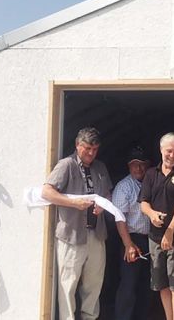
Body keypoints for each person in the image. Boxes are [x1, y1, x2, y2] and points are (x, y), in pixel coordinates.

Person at [42, 127, 112, 320]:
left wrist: (103, 206)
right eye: (87, 148)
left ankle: (89, 317)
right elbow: (47, 192)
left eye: (95, 149)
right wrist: (74, 203)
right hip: (71, 235)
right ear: (77, 145)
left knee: (94, 282)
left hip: (96, 234)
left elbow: (107, 193)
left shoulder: (100, 167)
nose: (91, 153)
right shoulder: (66, 165)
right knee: (68, 283)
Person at [139, 132, 174, 320]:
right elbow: (143, 202)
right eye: (169, 151)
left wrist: (170, 231)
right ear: (161, 150)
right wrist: (152, 214)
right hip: (155, 237)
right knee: (161, 283)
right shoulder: (150, 174)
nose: (172, 155)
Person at [113, 147, 151, 320]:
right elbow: (120, 219)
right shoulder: (124, 187)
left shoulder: (153, 182)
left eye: (142, 165)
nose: (138, 169)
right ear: (129, 166)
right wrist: (128, 245)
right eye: (134, 165)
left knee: (147, 286)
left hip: (151, 240)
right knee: (128, 286)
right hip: (131, 239)